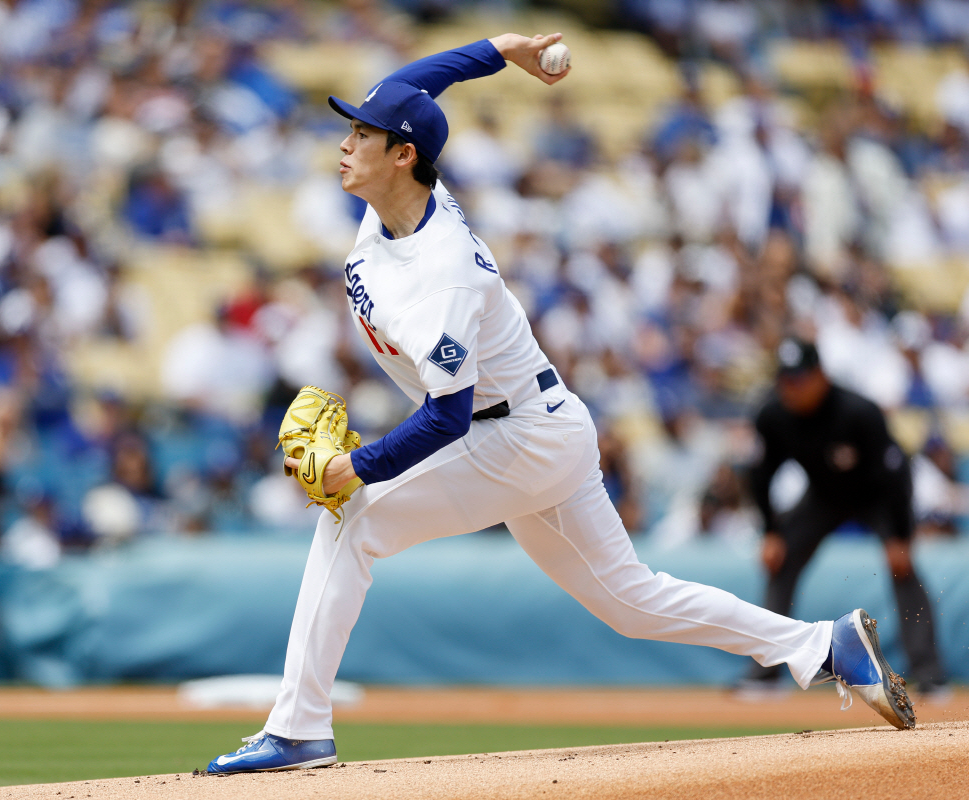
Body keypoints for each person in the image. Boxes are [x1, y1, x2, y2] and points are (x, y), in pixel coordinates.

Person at [206, 34, 916, 775]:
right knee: (631, 602)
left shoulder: (442, 277)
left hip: (513, 439)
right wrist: (498, 48)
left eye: (361, 134)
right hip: (540, 427)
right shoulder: (408, 194)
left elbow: (446, 419)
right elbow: (415, 82)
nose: (345, 144)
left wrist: (359, 465)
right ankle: (821, 645)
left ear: (403, 157)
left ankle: (298, 729)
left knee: (351, 519)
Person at [744, 338, 946, 693]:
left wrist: (900, 535)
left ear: (821, 376)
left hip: (877, 496)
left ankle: (929, 673)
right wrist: (770, 531)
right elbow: (760, 475)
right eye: (786, 380)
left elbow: (896, 474)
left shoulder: (858, 411)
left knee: (903, 568)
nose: (792, 388)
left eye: (800, 379)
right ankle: (767, 673)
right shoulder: (773, 416)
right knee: (781, 560)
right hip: (824, 496)